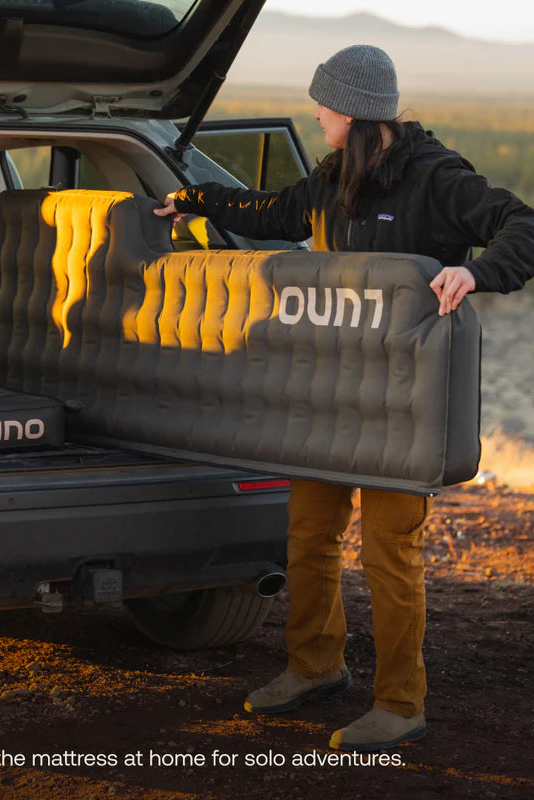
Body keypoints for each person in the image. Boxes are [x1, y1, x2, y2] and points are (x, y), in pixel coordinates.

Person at [154, 44, 534, 752]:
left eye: (323, 102)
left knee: (390, 556)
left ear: (355, 111)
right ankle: (314, 667)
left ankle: (399, 704)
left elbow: (525, 226)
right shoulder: (336, 176)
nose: (316, 111)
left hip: (404, 404)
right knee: (309, 536)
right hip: (332, 396)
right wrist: (196, 200)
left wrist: (475, 275)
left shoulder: (436, 177)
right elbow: (273, 212)